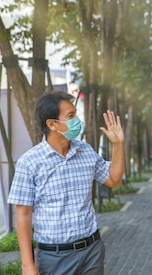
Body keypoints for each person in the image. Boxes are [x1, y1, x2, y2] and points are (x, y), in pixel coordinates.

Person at [8, 91, 125, 275]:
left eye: (75, 114)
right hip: (54, 258)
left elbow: (114, 180)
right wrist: (27, 265)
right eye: (70, 116)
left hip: (91, 252)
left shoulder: (85, 151)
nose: (76, 120)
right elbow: (23, 214)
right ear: (52, 124)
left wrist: (118, 145)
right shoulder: (30, 162)